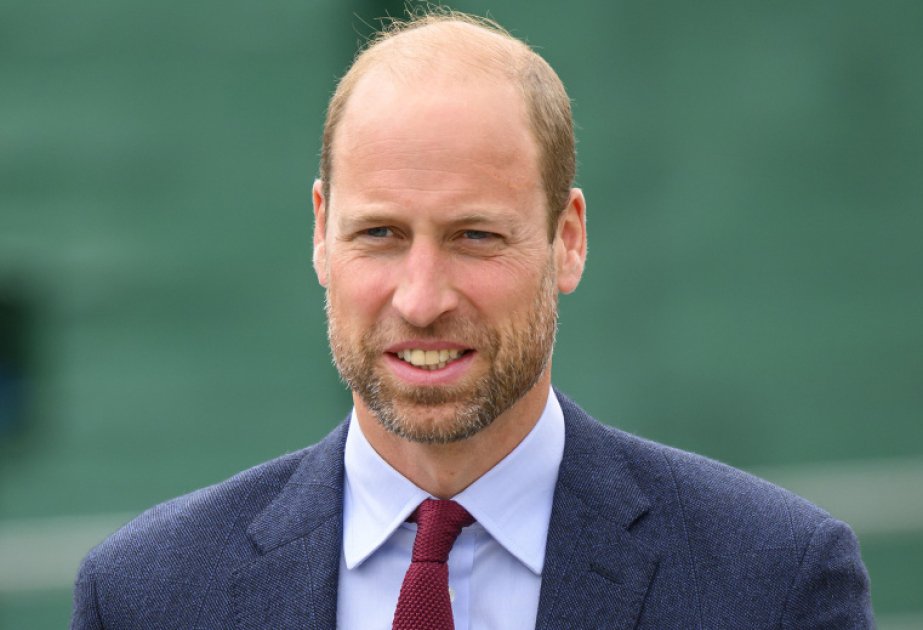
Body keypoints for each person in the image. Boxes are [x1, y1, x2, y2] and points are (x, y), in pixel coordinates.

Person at [71, 10, 874, 629]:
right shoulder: (147, 596)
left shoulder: (771, 583)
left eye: (475, 237)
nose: (421, 300)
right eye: (379, 234)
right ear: (320, 233)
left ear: (567, 240)